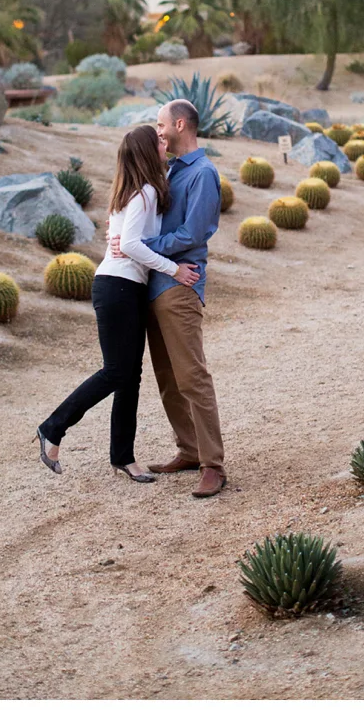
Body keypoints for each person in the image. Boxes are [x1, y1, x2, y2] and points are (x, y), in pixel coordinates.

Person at [36, 125, 200, 481]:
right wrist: (174, 269)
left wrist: (127, 245)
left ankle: (123, 457)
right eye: (157, 140)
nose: (164, 141)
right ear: (145, 150)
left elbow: (121, 238)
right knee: (117, 372)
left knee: (130, 377)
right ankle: (53, 427)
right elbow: (130, 245)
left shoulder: (135, 190)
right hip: (118, 287)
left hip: (123, 286)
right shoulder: (143, 193)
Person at [110, 98, 227, 498]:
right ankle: (190, 450)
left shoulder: (204, 174)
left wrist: (144, 245)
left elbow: (194, 233)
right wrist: (122, 235)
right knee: (168, 379)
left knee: (192, 377)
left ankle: (213, 464)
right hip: (152, 285)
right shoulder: (169, 169)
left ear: (180, 124)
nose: (158, 132)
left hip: (179, 286)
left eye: (161, 125)